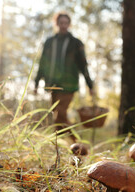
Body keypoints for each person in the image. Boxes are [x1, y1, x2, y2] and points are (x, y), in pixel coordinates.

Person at [34, 12, 94, 141]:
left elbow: (83, 65)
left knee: (60, 114)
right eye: (61, 23)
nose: (63, 25)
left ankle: (77, 141)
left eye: (66, 23)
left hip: (69, 84)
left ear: (69, 24)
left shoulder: (76, 43)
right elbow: (42, 63)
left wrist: (90, 85)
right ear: (56, 24)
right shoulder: (49, 42)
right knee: (57, 116)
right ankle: (59, 147)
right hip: (53, 83)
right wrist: (36, 82)